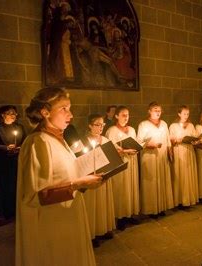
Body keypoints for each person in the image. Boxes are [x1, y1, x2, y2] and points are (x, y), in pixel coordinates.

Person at [15, 87, 103, 266]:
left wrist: (86, 179)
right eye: (64, 108)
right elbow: (34, 195)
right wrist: (77, 184)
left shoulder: (58, 138)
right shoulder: (38, 142)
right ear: (45, 112)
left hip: (67, 218)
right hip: (51, 225)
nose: (70, 114)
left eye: (69, 108)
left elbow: (65, 174)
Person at [72, 114, 116, 247]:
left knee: (104, 203)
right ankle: (91, 233)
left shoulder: (106, 140)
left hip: (104, 176)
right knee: (92, 206)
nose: (101, 127)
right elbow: (75, 159)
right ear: (90, 126)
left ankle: (104, 228)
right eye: (97, 124)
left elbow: (112, 156)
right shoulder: (81, 142)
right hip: (90, 179)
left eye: (103, 124)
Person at [105, 106, 140, 229]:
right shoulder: (112, 131)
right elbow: (109, 149)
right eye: (123, 115)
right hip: (120, 163)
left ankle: (129, 213)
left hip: (131, 161)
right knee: (121, 188)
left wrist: (136, 149)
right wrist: (124, 150)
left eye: (128, 115)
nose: (126, 117)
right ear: (116, 116)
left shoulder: (131, 129)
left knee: (130, 187)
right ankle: (120, 216)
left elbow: (135, 143)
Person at [137, 102, 174, 218]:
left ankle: (161, 206)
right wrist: (149, 145)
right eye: (155, 110)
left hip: (162, 156)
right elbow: (139, 142)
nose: (158, 112)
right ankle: (151, 209)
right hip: (149, 157)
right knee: (151, 182)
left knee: (162, 179)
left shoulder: (163, 124)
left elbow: (167, 140)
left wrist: (170, 152)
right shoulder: (143, 125)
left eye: (159, 110)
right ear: (149, 111)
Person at [0, 105, 26, 219]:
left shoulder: (20, 127)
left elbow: (25, 141)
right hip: (2, 163)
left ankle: (18, 211)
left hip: (17, 161)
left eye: (14, 113)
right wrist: (6, 148)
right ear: (2, 115)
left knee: (17, 186)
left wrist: (20, 148)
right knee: (6, 187)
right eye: (10, 113)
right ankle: (8, 212)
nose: (13, 115)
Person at [169, 105, 199, 209]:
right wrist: (178, 140)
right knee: (180, 174)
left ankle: (188, 199)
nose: (186, 116)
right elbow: (170, 140)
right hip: (179, 151)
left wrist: (195, 140)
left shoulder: (190, 125)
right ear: (179, 114)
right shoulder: (173, 126)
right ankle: (179, 200)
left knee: (188, 174)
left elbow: (195, 137)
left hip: (189, 151)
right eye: (184, 113)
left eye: (187, 114)